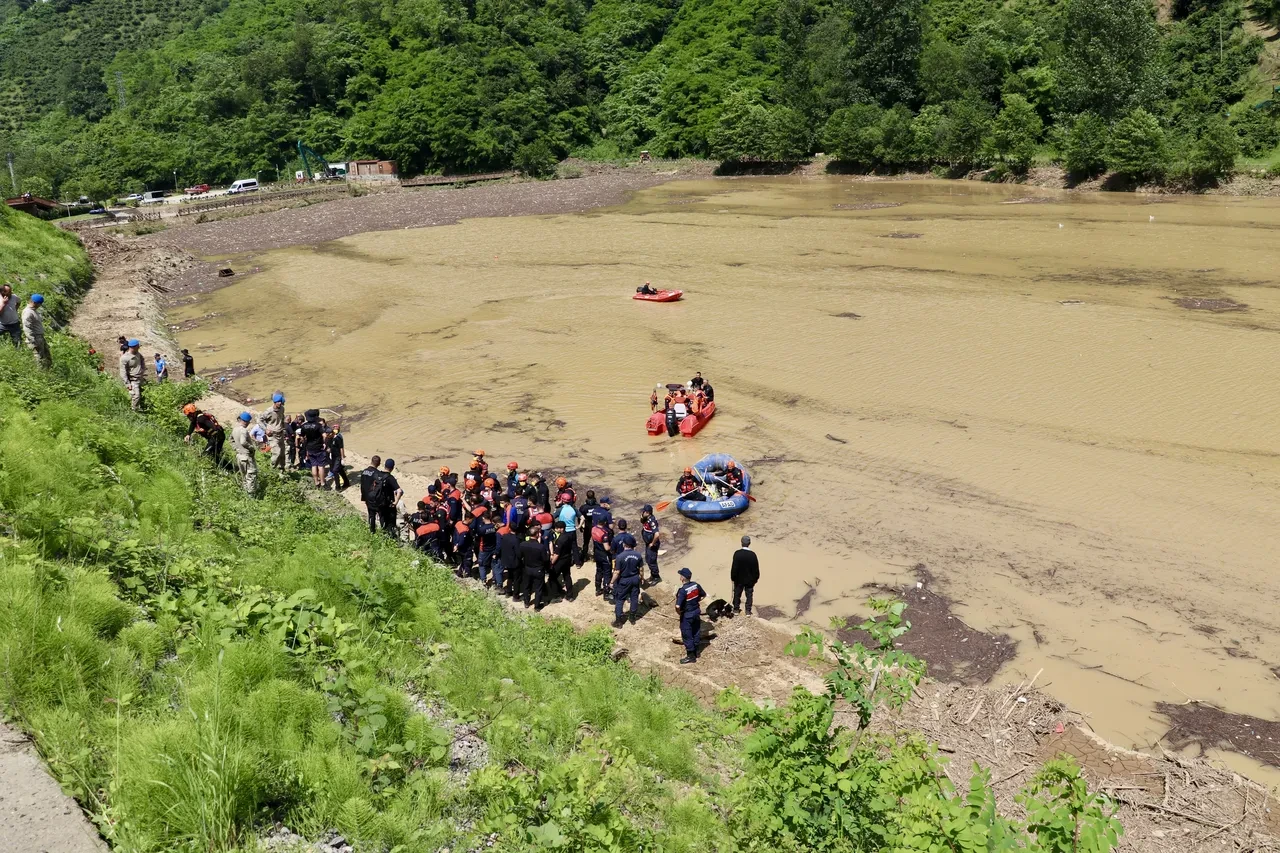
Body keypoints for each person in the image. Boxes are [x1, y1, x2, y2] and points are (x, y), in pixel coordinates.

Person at [675, 568, 706, 664]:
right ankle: (697, 651)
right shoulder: (696, 585)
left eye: (680, 575)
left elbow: (677, 605)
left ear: (682, 578)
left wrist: (679, 612)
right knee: (696, 631)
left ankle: (691, 656)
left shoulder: (683, 590)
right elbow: (704, 595)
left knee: (687, 634)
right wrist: (696, 602)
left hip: (687, 615)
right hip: (696, 612)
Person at [612, 540, 645, 626]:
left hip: (624, 580)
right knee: (634, 598)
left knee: (620, 600)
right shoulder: (638, 555)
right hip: (635, 579)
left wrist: (612, 582)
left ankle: (618, 622)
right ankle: (632, 618)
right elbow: (641, 569)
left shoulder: (620, 557)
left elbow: (617, 572)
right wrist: (642, 578)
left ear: (624, 545)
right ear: (633, 545)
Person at [259, 392, 288, 477]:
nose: (281, 403)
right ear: (275, 402)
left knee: (282, 452)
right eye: (279, 402)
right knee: (277, 452)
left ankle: (282, 469)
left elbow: (282, 418)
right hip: (272, 434)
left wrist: (284, 428)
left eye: (281, 402)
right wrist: (265, 429)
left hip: (281, 433)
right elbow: (260, 420)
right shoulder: (269, 411)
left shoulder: (282, 408)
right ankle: (272, 470)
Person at [297, 409, 328, 488]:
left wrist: (305, 443)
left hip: (310, 447)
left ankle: (316, 482)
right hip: (319, 447)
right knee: (321, 466)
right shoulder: (318, 425)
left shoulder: (304, 426)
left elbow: (301, 436)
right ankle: (323, 483)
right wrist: (324, 443)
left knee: (314, 465)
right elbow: (325, 435)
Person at [19, 294, 51, 369]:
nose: (40, 305)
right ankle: (41, 373)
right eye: (40, 304)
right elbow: (27, 328)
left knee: (46, 356)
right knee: (38, 358)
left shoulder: (33, 311)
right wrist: (33, 341)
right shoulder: (28, 312)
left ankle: (48, 370)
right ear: (34, 302)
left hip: (40, 337)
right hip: (35, 338)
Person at [731, 535, 760, 616]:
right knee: (749, 595)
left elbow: (734, 567)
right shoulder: (753, 555)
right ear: (749, 543)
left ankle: (736, 609)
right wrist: (755, 579)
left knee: (737, 594)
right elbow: (756, 569)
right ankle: (748, 611)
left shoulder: (737, 554)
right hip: (749, 580)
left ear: (741, 543)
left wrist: (733, 577)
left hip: (738, 579)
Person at [591, 497, 614, 599]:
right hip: (604, 553)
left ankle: (597, 588)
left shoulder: (593, 529)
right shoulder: (604, 534)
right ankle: (606, 592)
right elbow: (607, 548)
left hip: (596, 551)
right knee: (607, 572)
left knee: (598, 570)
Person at [230, 412, 258, 495]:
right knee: (251, 475)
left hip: (239, 456)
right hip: (247, 456)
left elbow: (231, 440)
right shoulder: (243, 431)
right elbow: (243, 442)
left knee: (244, 476)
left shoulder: (235, 429)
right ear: (247, 422)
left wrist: (236, 448)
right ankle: (251, 494)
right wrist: (251, 448)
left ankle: (245, 492)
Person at [549, 519, 576, 600]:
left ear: (561, 528)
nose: (556, 530)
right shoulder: (569, 536)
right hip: (568, 558)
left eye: (557, 528)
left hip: (560, 560)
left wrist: (552, 563)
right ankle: (570, 595)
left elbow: (557, 554)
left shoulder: (560, 539)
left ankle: (557, 594)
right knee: (567, 576)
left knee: (552, 577)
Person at [359, 454, 385, 533]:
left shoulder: (364, 472)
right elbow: (380, 487)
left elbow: (362, 485)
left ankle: (372, 531)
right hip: (375, 497)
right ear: (379, 464)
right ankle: (384, 531)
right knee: (381, 515)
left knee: (371, 515)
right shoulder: (377, 474)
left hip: (367, 496)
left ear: (371, 461)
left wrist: (363, 497)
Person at [119, 338, 145, 407]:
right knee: (136, 396)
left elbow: (142, 359)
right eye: (138, 346)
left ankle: (140, 407)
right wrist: (127, 384)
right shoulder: (125, 358)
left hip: (140, 378)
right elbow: (122, 372)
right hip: (133, 380)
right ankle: (134, 411)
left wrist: (143, 369)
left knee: (142, 394)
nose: (139, 347)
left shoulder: (138, 354)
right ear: (133, 347)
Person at [378, 459, 403, 535]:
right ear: (392, 468)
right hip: (389, 505)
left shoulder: (378, 475)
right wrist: (396, 502)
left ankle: (383, 534)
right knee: (391, 525)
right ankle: (390, 537)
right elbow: (399, 491)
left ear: (384, 465)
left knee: (382, 521)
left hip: (379, 503)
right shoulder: (390, 478)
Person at [497, 523, 521, 597]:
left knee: (509, 577)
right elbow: (518, 552)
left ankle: (508, 592)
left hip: (506, 560)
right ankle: (515, 596)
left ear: (510, 528)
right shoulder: (516, 539)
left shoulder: (504, 537)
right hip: (514, 561)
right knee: (516, 579)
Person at [640, 504, 661, 585]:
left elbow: (657, 534)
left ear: (648, 512)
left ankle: (656, 577)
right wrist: (642, 516)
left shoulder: (652, 521)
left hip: (652, 544)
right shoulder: (646, 518)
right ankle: (653, 575)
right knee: (648, 559)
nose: (642, 512)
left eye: (644, 511)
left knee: (651, 560)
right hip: (647, 543)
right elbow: (641, 521)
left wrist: (652, 543)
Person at [328, 424, 348, 490]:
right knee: (340, 470)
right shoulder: (330, 438)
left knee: (335, 470)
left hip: (338, 456)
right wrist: (330, 452)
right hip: (333, 456)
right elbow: (330, 447)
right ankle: (346, 482)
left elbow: (341, 448)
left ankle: (338, 487)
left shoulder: (338, 437)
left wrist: (342, 458)